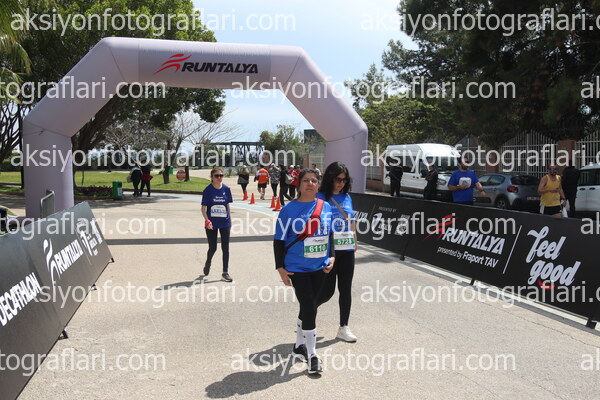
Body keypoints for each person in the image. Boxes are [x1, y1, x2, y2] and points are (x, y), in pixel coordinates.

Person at [274, 168, 335, 374]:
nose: (310, 183)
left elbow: (330, 234)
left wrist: (332, 256)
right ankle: (312, 353)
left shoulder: (325, 206)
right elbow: (278, 240)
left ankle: (298, 345)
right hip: (297, 267)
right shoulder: (288, 210)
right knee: (309, 306)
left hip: (319, 266)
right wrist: (280, 267)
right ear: (299, 185)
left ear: (318, 185)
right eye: (306, 180)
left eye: (314, 181)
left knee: (310, 305)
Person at [316, 162, 358, 343]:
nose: (341, 183)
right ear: (330, 178)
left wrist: (355, 240)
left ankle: (344, 327)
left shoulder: (347, 197)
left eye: (344, 180)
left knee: (345, 289)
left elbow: (351, 220)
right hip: (328, 250)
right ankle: (307, 314)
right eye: (338, 179)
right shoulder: (319, 197)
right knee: (327, 291)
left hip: (346, 249)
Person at [201, 168, 234, 282]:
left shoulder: (226, 189)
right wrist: (207, 220)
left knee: (226, 248)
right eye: (216, 176)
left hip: (224, 222)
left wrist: (230, 220)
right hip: (212, 223)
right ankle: (208, 262)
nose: (219, 178)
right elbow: (203, 209)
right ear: (212, 177)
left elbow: (227, 205)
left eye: (221, 175)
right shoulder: (208, 190)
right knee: (213, 248)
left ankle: (225, 272)